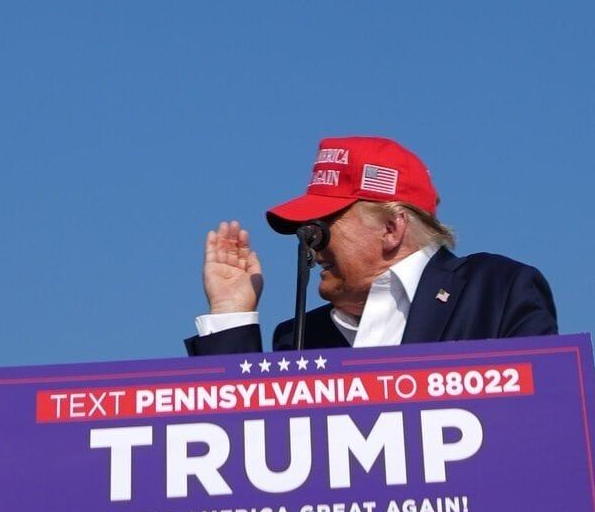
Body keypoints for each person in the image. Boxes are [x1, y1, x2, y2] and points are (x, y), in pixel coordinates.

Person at [185, 136, 555, 356]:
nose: (311, 247)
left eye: (323, 227)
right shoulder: (300, 338)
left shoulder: (495, 290)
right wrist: (231, 313)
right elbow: (246, 442)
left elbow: (542, 413)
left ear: (392, 228)